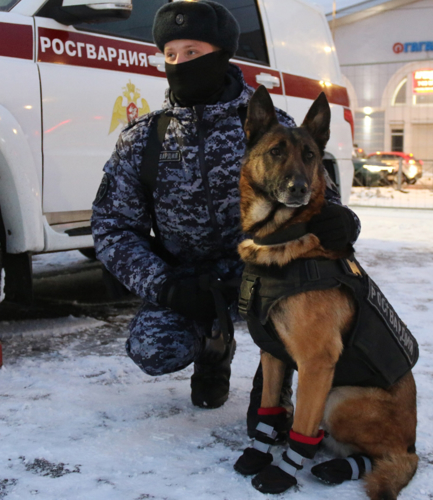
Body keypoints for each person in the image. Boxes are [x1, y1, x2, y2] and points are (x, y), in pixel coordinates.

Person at [91, 0, 359, 431]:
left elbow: (314, 192)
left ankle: (274, 385)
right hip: (191, 280)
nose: (179, 64)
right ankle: (214, 350)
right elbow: (112, 227)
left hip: (267, 274)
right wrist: (166, 285)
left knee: (307, 308)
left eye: (192, 53)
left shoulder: (270, 128)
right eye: (171, 55)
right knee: (153, 348)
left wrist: (342, 222)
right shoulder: (145, 138)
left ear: (221, 55)